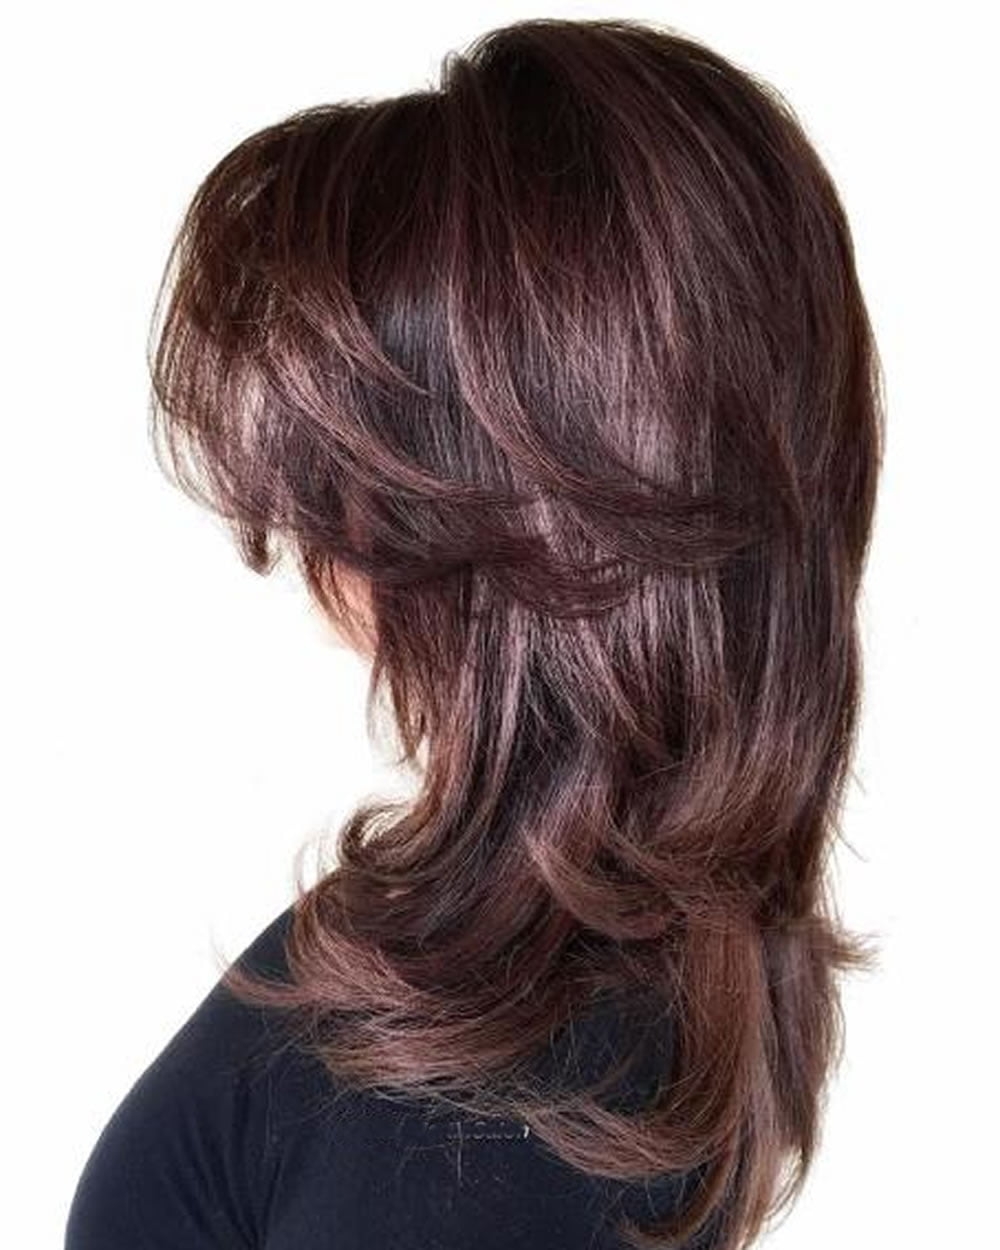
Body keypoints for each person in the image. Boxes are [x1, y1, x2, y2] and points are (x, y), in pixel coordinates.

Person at [64, 16, 883, 1250]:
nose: (311, 548)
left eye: (352, 485)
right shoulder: (579, 983)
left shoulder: (479, 1113)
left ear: (516, 530)